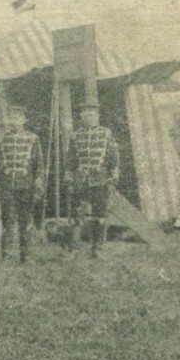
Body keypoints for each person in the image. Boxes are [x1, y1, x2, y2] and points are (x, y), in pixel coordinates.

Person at [0, 104, 44, 263]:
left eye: (17, 118)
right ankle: (6, 256)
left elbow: (38, 165)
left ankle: (25, 256)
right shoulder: (1, 140)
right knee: (7, 221)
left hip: (26, 186)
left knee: (25, 221)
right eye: (12, 118)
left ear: (24, 120)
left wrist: (38, 187)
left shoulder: (33, 139)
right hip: (7, 187)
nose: (14, 121)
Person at [70, 101, 120, 258]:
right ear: (81, 116)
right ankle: (74, 249)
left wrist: (112, 179)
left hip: (100, 180)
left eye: (91, 114)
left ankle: (97, 249)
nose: (88, 117)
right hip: (81, 180)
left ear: (97, 115)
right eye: (84, 114)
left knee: (100, 215)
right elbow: (70, 160)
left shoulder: (106, 133)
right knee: (77, 215)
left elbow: (114, 159)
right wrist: (70, 179)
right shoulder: (75, 135)